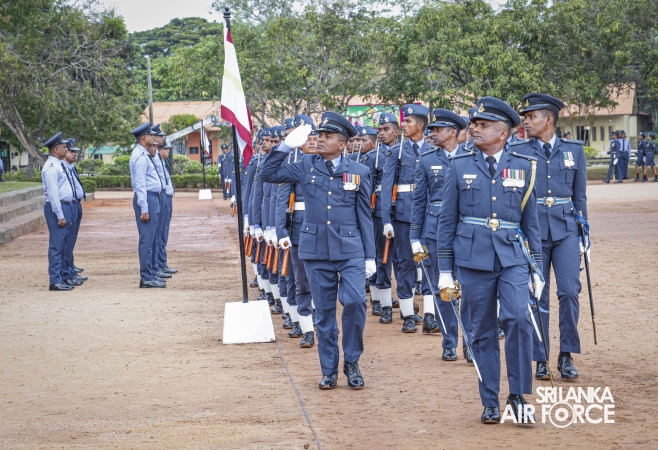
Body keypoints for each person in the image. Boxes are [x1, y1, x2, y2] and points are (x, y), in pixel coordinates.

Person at [437, 96, 543, 424]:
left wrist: (536, 267)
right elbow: (446, 220)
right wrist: (443, 269)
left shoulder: (524, 165)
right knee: (481, 330)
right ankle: (490, 401)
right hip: (473, 258)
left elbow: (530, 220)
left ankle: (518, 395)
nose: (475, 129)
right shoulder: (459, 165)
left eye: (483, 126)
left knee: (519, 321)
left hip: (512, 256)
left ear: (503, 133)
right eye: (475, 124)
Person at [261, 112, 375, 390]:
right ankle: (329, 370)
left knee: (356, 303)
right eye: (319, 135)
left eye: (327, 136)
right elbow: (267, 174)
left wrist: (370, 255)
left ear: (343, 143)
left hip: (350, 249)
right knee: (323, 313)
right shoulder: (305, 165)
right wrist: (285, 146)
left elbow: (365, 216)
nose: (319, 140)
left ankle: (352, 361)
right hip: (315, 250)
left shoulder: (358, 171)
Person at [514, 93, 588, 381]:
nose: (527, 121)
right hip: (534, 233)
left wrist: (584, 235)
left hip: (566, 229)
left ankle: (566, 352)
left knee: (569, 291)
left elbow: (579, 196)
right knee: (536, 294)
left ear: (549, 120)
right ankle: (540, 356)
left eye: (532, 117)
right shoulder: (520, 151)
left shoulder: (574, 150)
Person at [411, 109, 473, 361]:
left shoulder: (472, 156)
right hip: (436, 231)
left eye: (437, 130)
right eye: (431, 130)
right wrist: (415, 236)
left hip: (466, 229)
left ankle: (470, 340)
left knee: (468, 287)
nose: (432, 133)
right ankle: (449, 340)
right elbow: (418, 201)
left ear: (453, 133)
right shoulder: (426, 160)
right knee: (443, 285)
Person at [381, 104, 431, 333]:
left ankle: (430, 313)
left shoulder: (433, 148)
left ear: (420, 125)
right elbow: (386, 187)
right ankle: (408, 313)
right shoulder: (397, 151)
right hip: (404, 215)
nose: (404, 125)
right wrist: (386, 220)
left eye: (409, 121)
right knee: (404, 263)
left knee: (430, 262)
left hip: (430, 214)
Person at [276, 114, 319, 346]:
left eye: (315, 136)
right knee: (301, 282)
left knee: (323, 283)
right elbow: (282, 200)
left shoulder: (332, 163)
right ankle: (307, 329)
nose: (312, 141)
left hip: (326, 231)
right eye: (307, 138)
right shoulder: (292, 166)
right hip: (300, 231)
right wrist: (281, 233)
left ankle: (321, 322)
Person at [129, 122, 165, 288]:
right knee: (147, 240)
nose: (154, 137)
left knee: (151, 239)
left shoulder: (144, 154)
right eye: (151, 135)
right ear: (144, 138)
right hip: (147, 199)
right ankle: (146, 277)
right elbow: (140, 184)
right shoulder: (140, 156)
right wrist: (144, 208)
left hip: (152, 198)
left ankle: (150, 273)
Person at [370, 112, 399, 320]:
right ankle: (384, 303)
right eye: (379, 130)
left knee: (403, 259)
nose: (381, 133)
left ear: (396, 131)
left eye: (385, 129)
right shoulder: (373, 156)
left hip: (404, 209)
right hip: (380, 210)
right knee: (383, 257)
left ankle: (406, 303)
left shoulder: (404, 152)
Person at [41, 132, 76, 291]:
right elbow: (54, 194)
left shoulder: (59, 164)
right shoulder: (51, 168)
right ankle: (55, 280)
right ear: (56, 150)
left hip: (65, 206)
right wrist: (60, 215)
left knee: (64, 243)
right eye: (63, 147)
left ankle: (62, 276)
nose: (66, 148)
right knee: (57, 245)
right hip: (58, 207)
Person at [60, 139, 88, 287]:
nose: (75, 154)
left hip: (75, 204)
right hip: (68, 205)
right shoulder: (61, 167)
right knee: (67, 241)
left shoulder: (69, 167)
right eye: (72, 151)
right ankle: (67, 272)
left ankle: (70, 268)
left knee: (71, 241)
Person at [155, 143, 177, 275]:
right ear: (159, 149)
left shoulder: (162, 162)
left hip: (167, 196)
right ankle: (158, 264)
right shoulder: (155, 160)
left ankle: (162, 262)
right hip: (161, 196)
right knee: (159, 233)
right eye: (165, 148)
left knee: (164, 232)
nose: (168, 151)